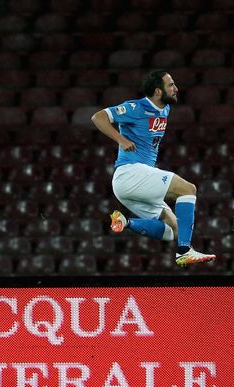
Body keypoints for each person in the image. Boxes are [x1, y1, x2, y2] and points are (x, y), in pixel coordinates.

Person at [91, 69, 216, 266]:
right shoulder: (135, 107)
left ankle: (125, 222)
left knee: (174, 229)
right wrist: (121, 140)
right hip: (130, 173)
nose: (176, 88)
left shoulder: (165, 109)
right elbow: (98, 117)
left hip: (129, 185)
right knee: (188, 189)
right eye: (171, 85)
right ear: (158, 91)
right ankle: (185, 251)